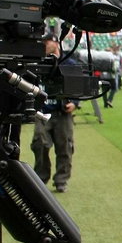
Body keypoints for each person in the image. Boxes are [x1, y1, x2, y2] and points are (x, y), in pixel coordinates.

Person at [31, 38, 78, 193]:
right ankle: (41, 177)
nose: (44, 45)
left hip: (62, 113)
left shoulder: (69, 64)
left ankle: (61, 180)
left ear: (56, 43)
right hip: (42, 111)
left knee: (65, 147)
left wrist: (75, 103)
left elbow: (78, 85)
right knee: (40, 143)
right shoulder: (37, 63)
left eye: (47, 42)